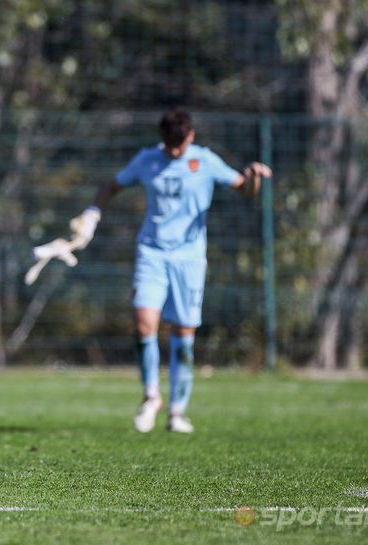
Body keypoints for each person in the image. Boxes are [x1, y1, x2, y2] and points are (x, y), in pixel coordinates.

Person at [69, 108, 271, 433]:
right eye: (169, 144)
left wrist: (254, 177)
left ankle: (177, 411)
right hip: (152, 252)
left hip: (189, 259)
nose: (174, 151)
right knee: (144, 321)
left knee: (183, 332)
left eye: (179, 144)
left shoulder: (205, 161)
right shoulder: (147, 160)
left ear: (191, 137)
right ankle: (151, 396)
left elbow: (245, 189)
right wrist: (92, 215)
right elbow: (112, 185)